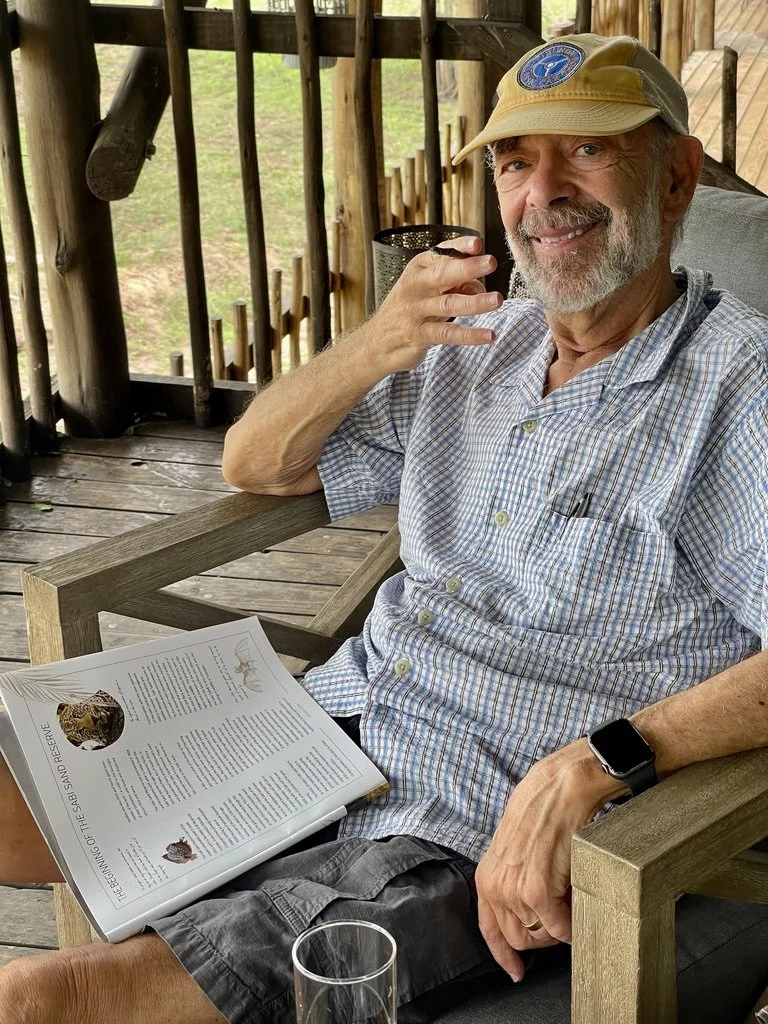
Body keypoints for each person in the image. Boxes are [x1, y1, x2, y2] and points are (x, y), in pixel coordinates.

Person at [2, 31, 768, 1024]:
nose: (545, 191)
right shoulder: (479, 339)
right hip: (313, 731)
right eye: (515, 160)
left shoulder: (740, 391)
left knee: (42, 1001)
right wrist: (373, 344)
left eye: (586, 150)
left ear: (676, 179)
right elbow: (255, 461)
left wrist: (601, 758)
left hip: (451, 828)